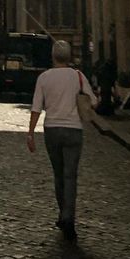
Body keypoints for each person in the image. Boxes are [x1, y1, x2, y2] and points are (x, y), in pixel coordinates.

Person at [26, 40, 96, 243]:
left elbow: (36, 107)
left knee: (58, 174)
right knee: (70, 176)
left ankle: (62, 214)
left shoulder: (44, 77)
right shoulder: (78, 76)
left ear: (53, 56)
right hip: (74, 129)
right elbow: (93, 101)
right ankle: (68, 217)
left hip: (52, 130)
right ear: (69, 57)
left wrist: (30, 133)